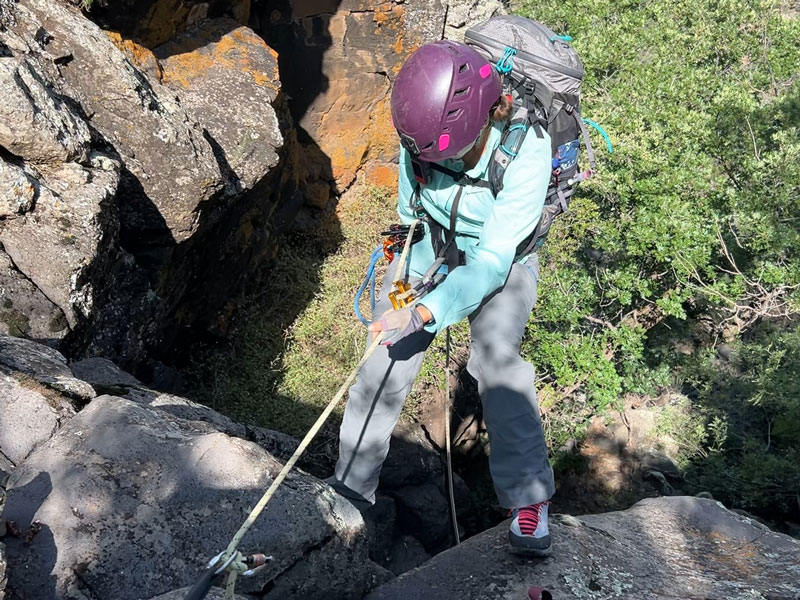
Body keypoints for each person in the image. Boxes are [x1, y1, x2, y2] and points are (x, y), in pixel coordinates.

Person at [327, 39, 555, 556]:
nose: (433, 161)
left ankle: (527, 500)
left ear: (478, 124)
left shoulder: (527, 149)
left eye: (446, 154)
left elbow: (493, 262)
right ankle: (350, 491)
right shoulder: (419, 137)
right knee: (382, 355)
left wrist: (428, 310)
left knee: (496, 361)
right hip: (432, 251)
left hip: (503, 261)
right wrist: (403, 295)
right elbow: (411, 221)